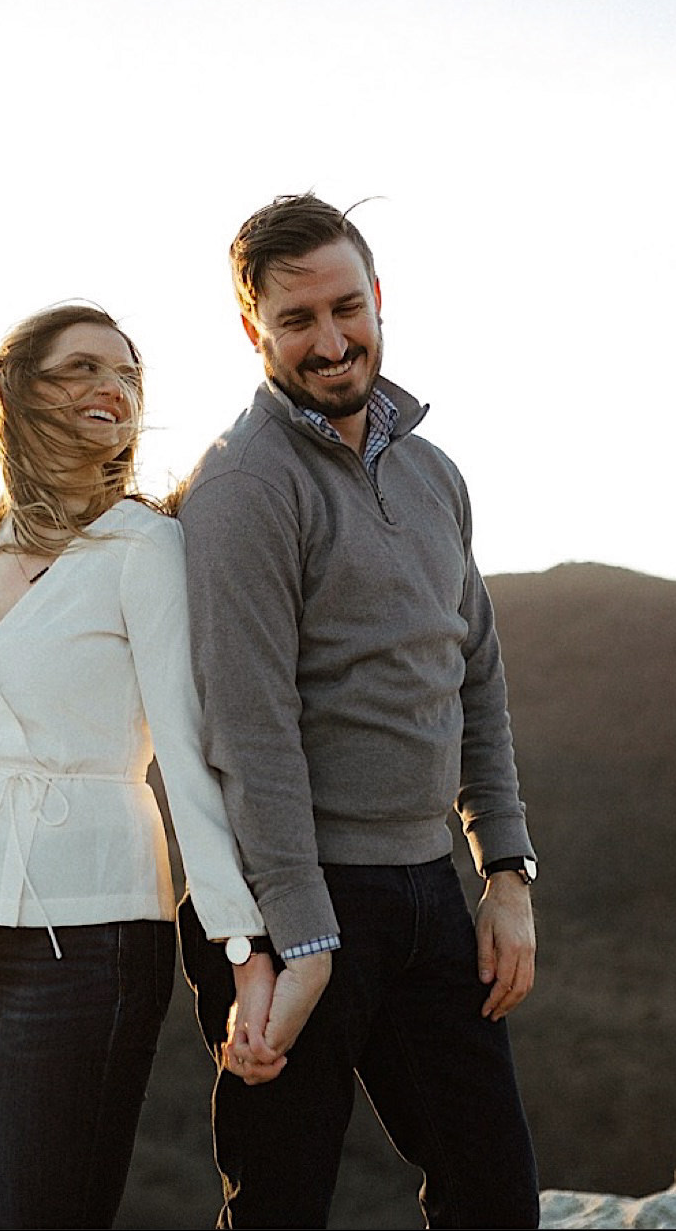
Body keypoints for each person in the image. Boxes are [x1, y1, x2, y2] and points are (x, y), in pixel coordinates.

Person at [174, 194, 542, 1228]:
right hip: (297, 891)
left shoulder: (432, 475)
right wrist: (302, 933)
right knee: (283, 1204)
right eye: (296, 321)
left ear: (378, 297)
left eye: (346, 308)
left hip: (427, 885)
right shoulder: (244, 485)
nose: (330, 343)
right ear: (254, 330)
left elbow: (472, 674)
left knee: (492, 1196)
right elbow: (247, 729)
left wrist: (503, 871)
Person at [0, 302, 282, 1230]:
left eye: (127, 375)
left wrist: (243, 946)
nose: (112, 388)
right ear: (21, 393)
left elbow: (189, 759)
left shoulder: (145, 548)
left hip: (93, 941)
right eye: (82, 369)